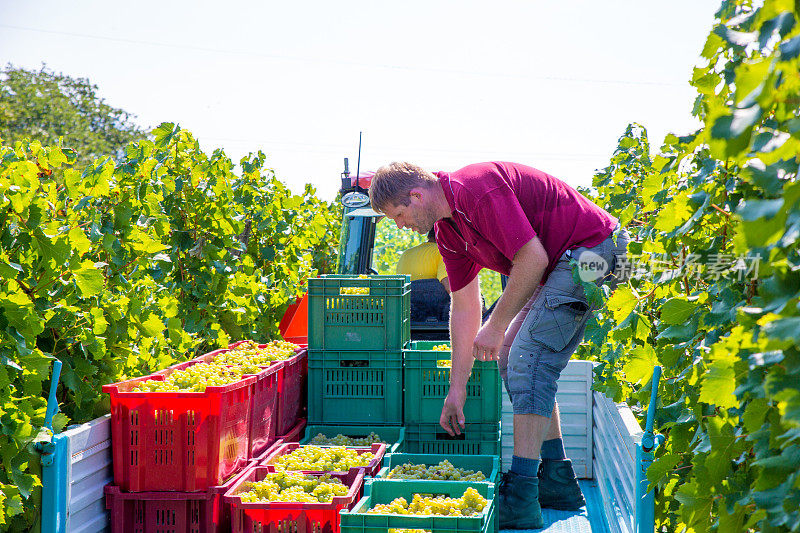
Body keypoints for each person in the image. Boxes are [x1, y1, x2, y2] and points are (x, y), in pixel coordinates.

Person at [369, 161, 629, 530]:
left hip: (595, 253)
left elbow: (533, 258)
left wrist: (496, 324)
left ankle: (522, 497)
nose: (401, 225)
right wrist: (456, 389)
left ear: (416, 195)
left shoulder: (475, 187)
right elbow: (464, 306)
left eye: (399, 215)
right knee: (512, 357)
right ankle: (557, 481)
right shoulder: (449, 233)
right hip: (559, 263)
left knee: (529, 358)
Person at [396, 229, 452, 325]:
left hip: (408, 323)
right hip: (440, 324)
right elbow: (452, 288)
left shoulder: (405, 254)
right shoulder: (443, 252)